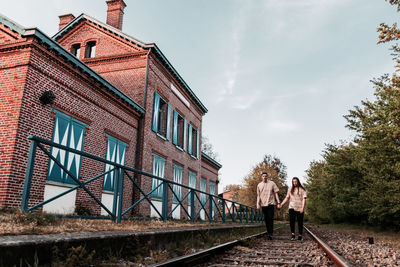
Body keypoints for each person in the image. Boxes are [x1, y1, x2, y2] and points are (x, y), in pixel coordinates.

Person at [256, 171, 280, 240]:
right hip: (263, 204)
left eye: (266, 176)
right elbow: (258, 195)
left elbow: (276, 193)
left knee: (270, 219)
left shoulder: (272, 183)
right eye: (263, 176)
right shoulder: (259, 185)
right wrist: (257, 203)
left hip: (271, 203)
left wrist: (278, 202)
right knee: (266, 219)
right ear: (261, 177)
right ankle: (268, 232)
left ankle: (270, 234)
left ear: (267, 177)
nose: (264, 177)